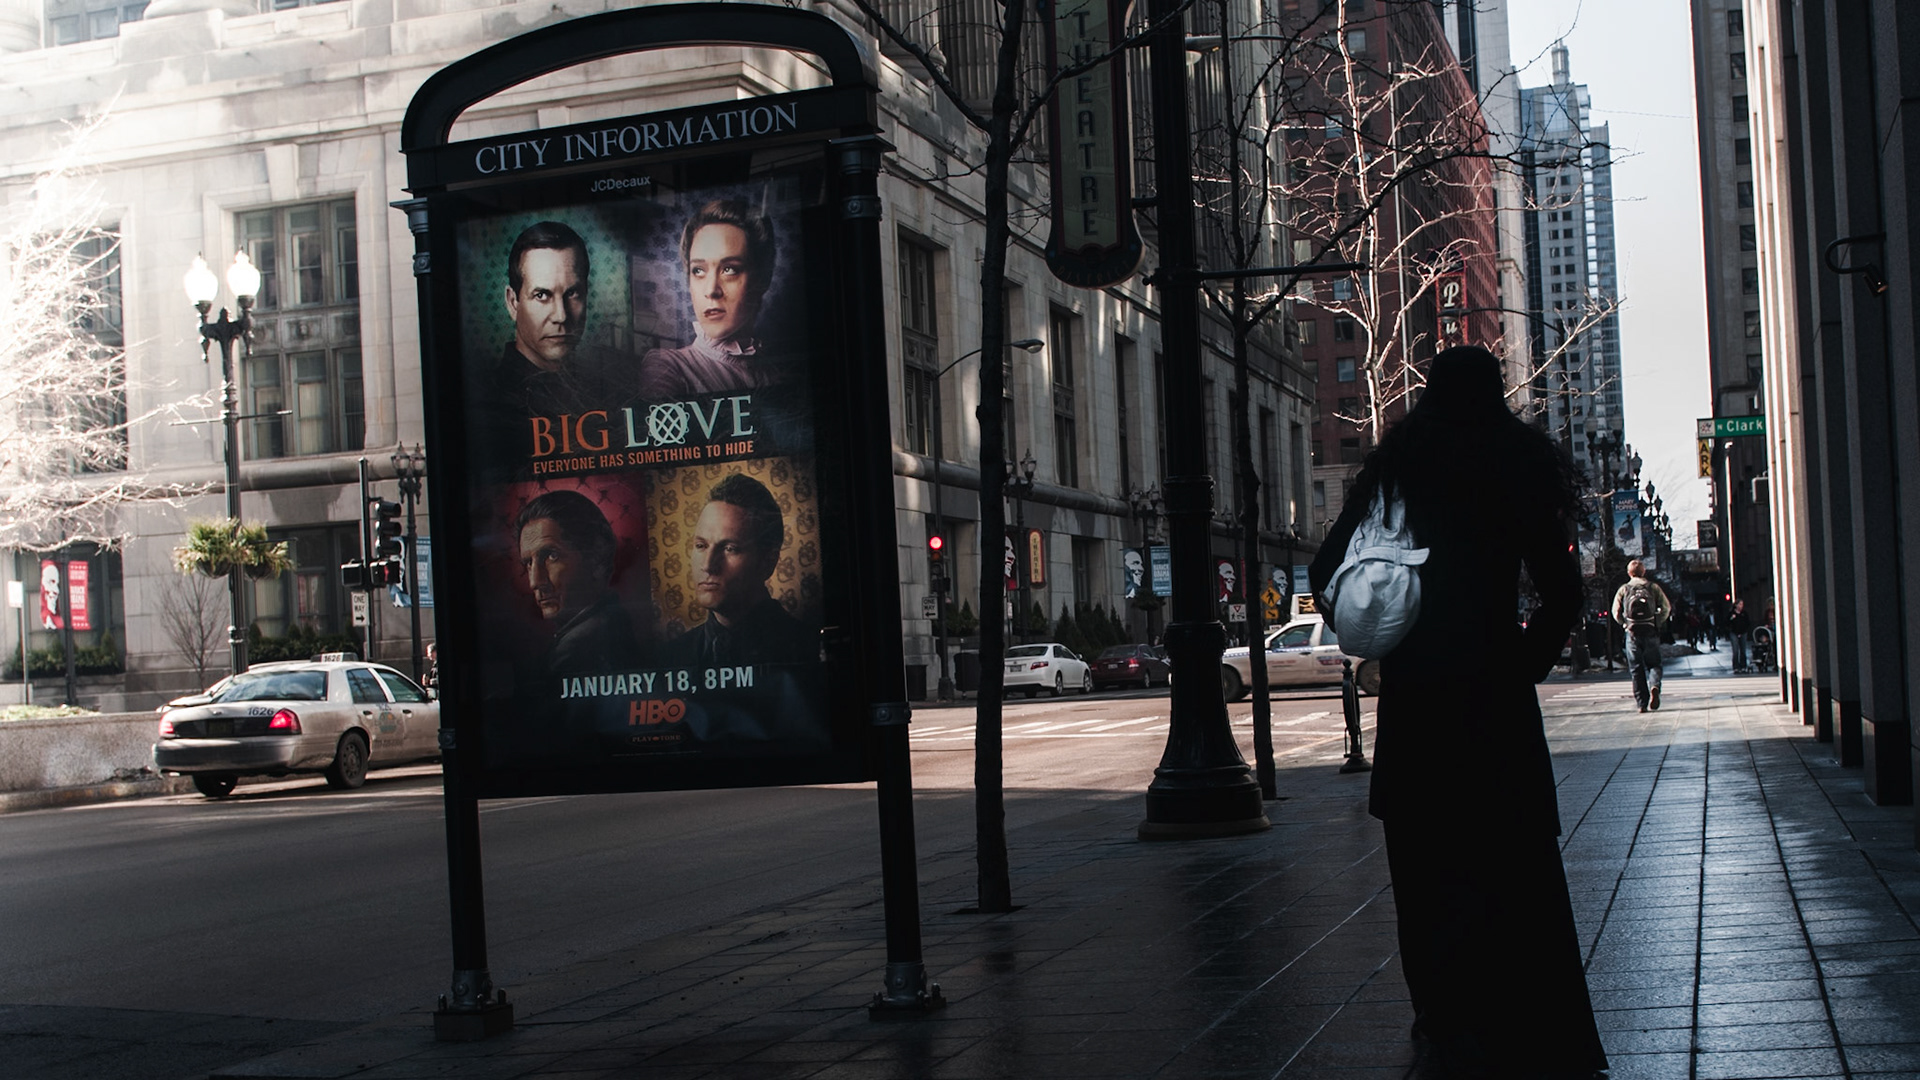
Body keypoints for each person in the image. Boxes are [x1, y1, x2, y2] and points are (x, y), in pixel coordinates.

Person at [1308, 346, 1608, 1079]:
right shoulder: (1516, 465)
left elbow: (1326, 573)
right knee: (1519, 870)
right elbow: (1564, 592)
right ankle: (1534, 1027)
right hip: (1494, 699)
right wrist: (1522, 662)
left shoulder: (1397, 471)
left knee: (1426, 874)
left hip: (1418, 705)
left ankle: (1447, 1025)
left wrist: (1390, 641)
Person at [475, 221, 618, 463]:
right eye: (542, 295)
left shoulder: (607, 389)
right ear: (513, 302)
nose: (561, 316)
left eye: (572, 294)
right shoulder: (487, 404)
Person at [659, 473, 813, 668]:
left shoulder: (808, 650)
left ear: (768, 561)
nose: (707, 565)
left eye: (730, 549)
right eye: (701, 545)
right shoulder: (669, 658)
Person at [637, 200, 783, 402]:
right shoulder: (667, 367)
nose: (711, 290)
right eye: (698, 271)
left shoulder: (775, 373)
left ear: (762, 279)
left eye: (729, 269)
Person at [513, 490, 642, 675]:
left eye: (551, 556)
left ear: (596, 557)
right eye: (528, 563)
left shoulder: (575, 648)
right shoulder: (612, 621)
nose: (535, 582)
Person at [1611, 559, 1671, 712]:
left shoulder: (1624, 589)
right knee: (1654, 664)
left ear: (1629, 573)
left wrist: (1625, 623)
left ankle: (1641, 704)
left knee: (1636, 669)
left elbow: (1615, 612)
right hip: (1650, 631)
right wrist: (1656, 621)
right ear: (1644, 572)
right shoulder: (1653, 587)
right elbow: (1666, 608)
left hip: (1632, 633)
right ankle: (1655, 686)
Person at [1728, 598, 1752, 671]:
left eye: (1742, 604)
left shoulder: (1744, 614)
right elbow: (1727, 622)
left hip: (1743, 632)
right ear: (1736, 605)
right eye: (1740, 604)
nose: (1741, 606)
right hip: (1734, 633)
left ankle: (1743, 665)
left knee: (1743, 649)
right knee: (1735, 650)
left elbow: (1747, 622)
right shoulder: (1731, 613)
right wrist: (1732, 618)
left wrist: (1745, 630)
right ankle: (1736, 666)